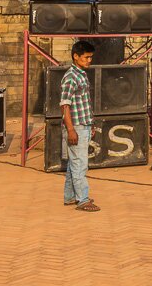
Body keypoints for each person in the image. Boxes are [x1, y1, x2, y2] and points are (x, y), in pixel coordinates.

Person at [60, 40, 99, 212]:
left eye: (91, 57)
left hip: (83, 125)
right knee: (80, 164)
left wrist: (91, 125)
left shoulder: (81, 74)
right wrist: (71, 130)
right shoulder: (70, 77)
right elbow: (64, 105)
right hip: (75, 127)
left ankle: (70, 197)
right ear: (76, 57)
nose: (89, 60)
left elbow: (84, 103)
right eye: (86, 57)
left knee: (73, 164)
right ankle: (83, 200)